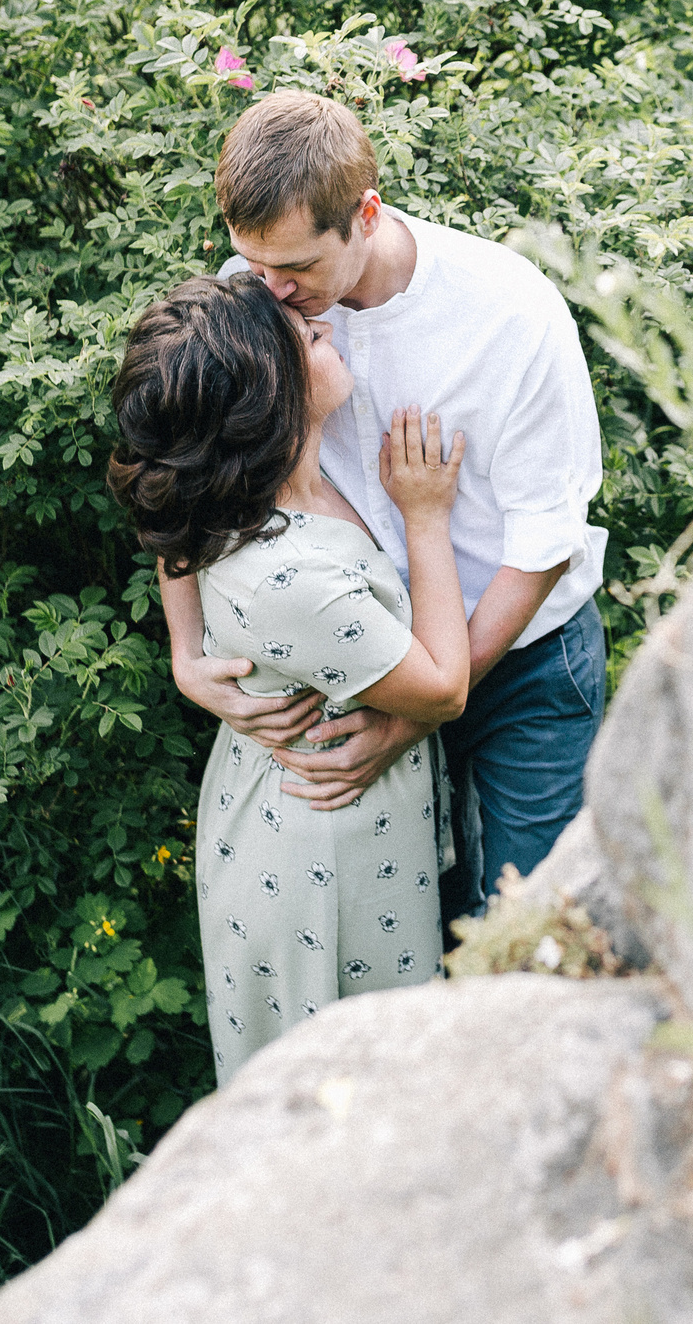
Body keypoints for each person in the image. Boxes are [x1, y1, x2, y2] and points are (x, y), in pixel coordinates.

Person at [159, 89, 609, 926]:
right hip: (361, 662)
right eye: (253, 263)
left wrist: (415, 713)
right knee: (415, 921)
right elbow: (188, 464)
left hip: (523, 664)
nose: (272, 290)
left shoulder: (509, 312)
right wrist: (187, 653)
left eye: (297, 268)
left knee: (528, 921)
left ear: (365, 215)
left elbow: (547, 541)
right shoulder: (255, 291)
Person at [108, 274, 471, 1083]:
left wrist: (185, 650)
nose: (327, 329)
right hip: (318, 858)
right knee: (349, 1092)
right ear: (271, 400)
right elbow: (444, 686)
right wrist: (425, 517)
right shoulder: (287, 575)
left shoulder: (254, 487)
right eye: (306, 337)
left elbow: (174, 519)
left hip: (327, 820)